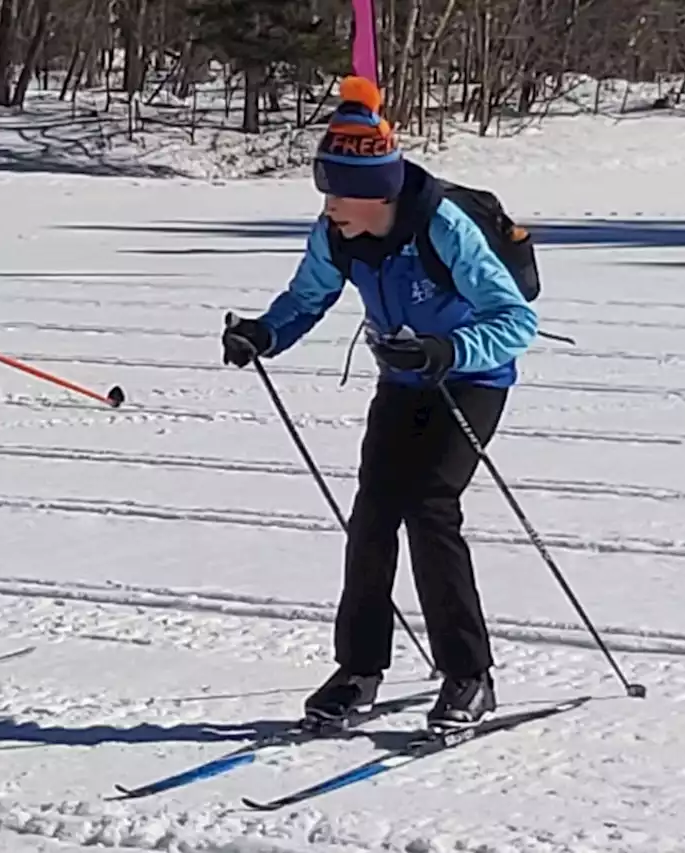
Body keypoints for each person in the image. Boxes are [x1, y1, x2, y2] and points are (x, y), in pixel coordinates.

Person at [221, 76, 538, 729]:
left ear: (374, 191)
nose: (328, 202)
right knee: (370, 517)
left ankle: (469, 675)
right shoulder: (336, 232)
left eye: (337, 189)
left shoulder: (441, 225)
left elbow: (513, 319)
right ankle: (359, 669)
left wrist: (448, 350)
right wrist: (263, 333)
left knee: (430, 508)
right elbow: (307, 297)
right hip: (402, 383)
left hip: (471, 380)